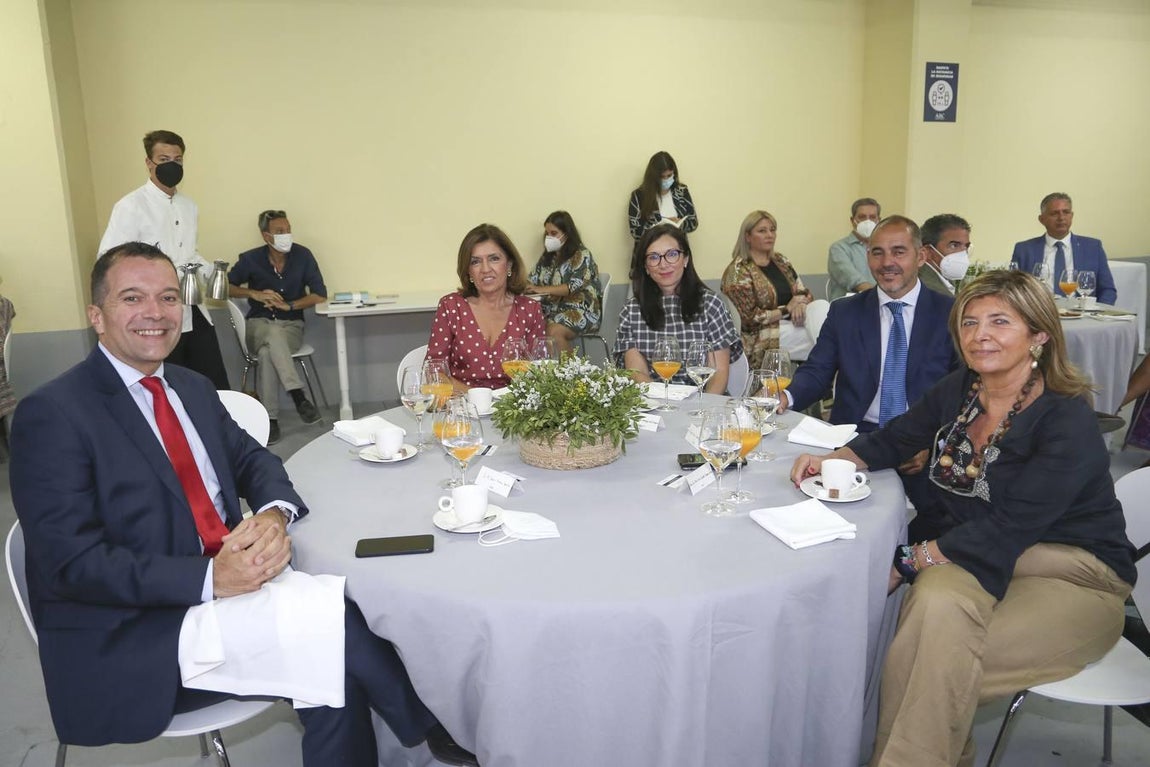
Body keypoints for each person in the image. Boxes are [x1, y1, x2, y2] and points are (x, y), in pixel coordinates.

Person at [9, 243, 478, 767]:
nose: (155, 313)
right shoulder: (53, 414)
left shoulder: (189, 386)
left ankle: (431, 732)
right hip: (141, 629)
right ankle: (433, 730)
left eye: (168, 297)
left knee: (333, 661)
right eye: (132, 297)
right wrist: (212, 580)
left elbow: (256, 461)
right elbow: (73, 566)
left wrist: (274, 513)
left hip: (231, 591)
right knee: (338, 624)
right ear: (97, 316)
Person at [789, 269, 1137, 767]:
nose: (980, 335)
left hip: (1075, 575)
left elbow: (1010, 525)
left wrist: (908, 560)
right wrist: (837, 458)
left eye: (1000, 321)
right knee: (933, 605)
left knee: (928, 663)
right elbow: (897, 436)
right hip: (978, 556)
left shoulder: (1066, 418)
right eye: (970, 323)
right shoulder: (962, 390)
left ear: (1039, 334)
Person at [782, 215, 958, 430]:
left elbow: (960, 388)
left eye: (899, 252)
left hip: (924, 436)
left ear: (921, 257)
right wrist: (786, 397)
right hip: (855, 436)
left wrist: (931, 441)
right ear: (868, 257)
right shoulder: (845, 312)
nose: (886, 263)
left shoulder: (950, 313)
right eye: (877, 253)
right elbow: (817, 371)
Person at [98, 129, 230, 389]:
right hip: (154, 311)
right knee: (168, 385)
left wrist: (212, 271)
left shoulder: (188, 206)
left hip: (191, 305)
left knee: (211, 383)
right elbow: (109, 259)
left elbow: (189, 253)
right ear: (149, 163)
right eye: (164, 159)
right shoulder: (131, 206)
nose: (172, 165)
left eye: (178, 160)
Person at [228, 210, 326, 445]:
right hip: (257, 326)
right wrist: (254, 293)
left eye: (288, 230)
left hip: (290, 326)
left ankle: (269, 420)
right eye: (279, 232)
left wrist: (290, 305)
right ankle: (297, 394)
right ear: (266, 236)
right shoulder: (250, 259)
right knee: (270, 334)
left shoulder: (303, 256)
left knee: (266, 352)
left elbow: (319, 295)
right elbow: (224, 287)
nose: (286, 235)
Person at [614, 223, 742, 393]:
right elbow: (637, 374)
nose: (663, 264)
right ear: (645, 267)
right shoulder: (632, 311)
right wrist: (668, 405)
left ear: (686, 259)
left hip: (705, 403)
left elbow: (718, 374)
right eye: (653, 257)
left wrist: (702, 412)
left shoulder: (711, 304)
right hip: (655, 401)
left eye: (672, 254)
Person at [427, 224, 545, 391]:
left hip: (513, 410)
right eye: (475, 262)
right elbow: (433, 372)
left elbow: (540, 373)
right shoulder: (451, 306)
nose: (485, 269)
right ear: (468, 271)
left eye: (494, 258)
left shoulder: (530, 310)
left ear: (510, 264)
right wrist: (479, 399)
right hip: (462, 408)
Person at [720, 210, 827, 367]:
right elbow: (749, 319)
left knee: (821, 305)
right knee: (824, 339)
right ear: (748, 237)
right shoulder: (738, 271)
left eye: (772, 230)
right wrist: (786, 310)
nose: (770, 235)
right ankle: (839, 363)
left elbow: (803, 291)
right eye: (762, 231)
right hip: (761, 335)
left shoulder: (781, 260)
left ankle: (834, 360)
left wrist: (801, 304)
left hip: (794, 323)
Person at [1011, 192, 1117, 304]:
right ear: (1042, 219)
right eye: (1054, 213)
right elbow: (1013, 290)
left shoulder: (1092, 247)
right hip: (1040, 315)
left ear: (1072, 216)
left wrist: (1097, 313)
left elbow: (1108, 290)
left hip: (1082, 315)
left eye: (1066, 212)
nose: (1061, 218)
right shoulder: (1024, 250)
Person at [526, 211, 603, 354]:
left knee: (554, 331)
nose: (549, 237)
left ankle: (568, 374)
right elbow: (531, 281)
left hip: (581, 311)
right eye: (547, 233)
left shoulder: (581, 255)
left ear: (566, 233)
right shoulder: (548, 258)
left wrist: (541, 289)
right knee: (529, 326)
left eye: (554, 233)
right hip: (553, 310)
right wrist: (526, 288)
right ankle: (542, 373)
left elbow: (570, 287)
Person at [627, 151, 698, 240]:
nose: (666, 180)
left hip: (678, 249)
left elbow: (693, 222)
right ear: (653, 176)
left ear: (674, 173)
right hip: (650, 251)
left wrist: (680, 224)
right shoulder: (639, 196)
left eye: (669, 175)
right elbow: (635, 231)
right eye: (662, 177)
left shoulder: (681, 191)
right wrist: (661, 228)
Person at [826, 197, 881, 300]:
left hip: (878, 304)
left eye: (872, 217)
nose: (867, 221)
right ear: (852, 220)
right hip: (847, 308)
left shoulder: (884, 249)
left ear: (879, 220)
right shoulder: (839, 248)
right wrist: (881, 297)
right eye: (862, 217)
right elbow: (854, 280)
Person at [917, 213, 972, 296]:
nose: (963, 253)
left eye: (966, 246)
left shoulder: (946, 281)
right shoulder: (928, 289)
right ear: (927, 252)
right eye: (954, 245)